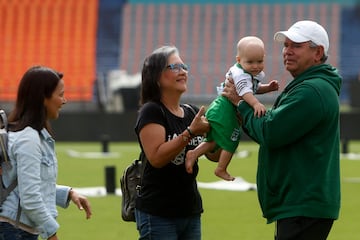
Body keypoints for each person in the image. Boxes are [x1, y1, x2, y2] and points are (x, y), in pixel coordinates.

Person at [223, 20, 342, 239]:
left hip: (302, 204)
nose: (287, 51)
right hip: (301, 203)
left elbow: (271, 131)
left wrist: (240, 104)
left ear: (318, 53)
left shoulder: (312, 90)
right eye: (285, 45)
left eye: (296, 46)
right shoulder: (314, 86)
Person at [134, 45, 219, 240]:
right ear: (157, 76)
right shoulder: (152, 111)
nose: (183, 72)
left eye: (184, 67)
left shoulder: (191, 112)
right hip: (158, 213)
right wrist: (190, 132)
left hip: (190, 210)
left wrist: (229, 129)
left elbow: (213, 156)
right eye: (175, 67)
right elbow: (156, 157)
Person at [0, 66, 92, 240]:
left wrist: (69, 193)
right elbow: (30, 198)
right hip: (15, 231)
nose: (64, 100)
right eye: (60, 94)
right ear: (43, 98)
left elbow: (24, 184)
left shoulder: (28, 134)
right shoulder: (29, 138)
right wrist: (52, 234)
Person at [186, 36, 279, 181]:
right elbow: (244, 92)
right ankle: (221, 169)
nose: (255, 66)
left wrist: (268, 88)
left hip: (220, 109)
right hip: (225, 111)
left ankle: (193, 153)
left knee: (216, 140)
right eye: (250, 62)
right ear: (239, 60)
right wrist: (255, 104)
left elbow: (253, 88)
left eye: (259, 61)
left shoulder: (248, 73)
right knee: (232, 140)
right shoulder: (241, 74)